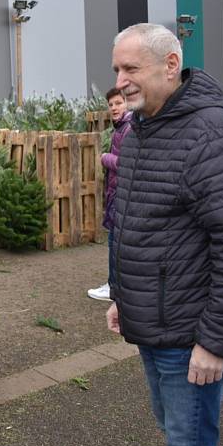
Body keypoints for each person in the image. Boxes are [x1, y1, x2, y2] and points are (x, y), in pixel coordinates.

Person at [106, 23, 223, 446]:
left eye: (131, 68)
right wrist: (122, 295)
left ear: (170, 65)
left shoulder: (209, 133)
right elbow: (138, 227)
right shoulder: (140, 130)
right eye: (117, 69)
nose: (120, 81)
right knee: (174, 433)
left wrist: (215, 343)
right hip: (152, 329)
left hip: (189, 336)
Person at [87, 89, 131, 301]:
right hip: (118, 193)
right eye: (111, 104)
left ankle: (113, 288)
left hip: (123, 194)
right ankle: (117, 286)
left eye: (118, 103)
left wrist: (105, 158)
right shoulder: (121, 127)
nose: (114, 108)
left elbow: (126, 163)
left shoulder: (129, 128)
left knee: (115, 241)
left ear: (127, 104)